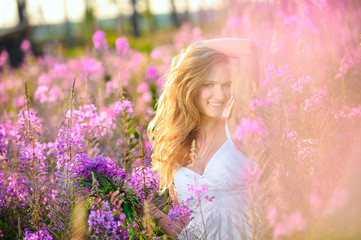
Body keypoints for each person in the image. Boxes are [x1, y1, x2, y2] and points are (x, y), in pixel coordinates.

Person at [111, 38, 259, 239]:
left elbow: (247, 49)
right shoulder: (176, 147)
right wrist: (139, 205)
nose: (221, 95)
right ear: (190, 86)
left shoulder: (235, 125)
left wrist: (196, 47)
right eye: (209, 84)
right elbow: (185, 230)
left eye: (226, 85)